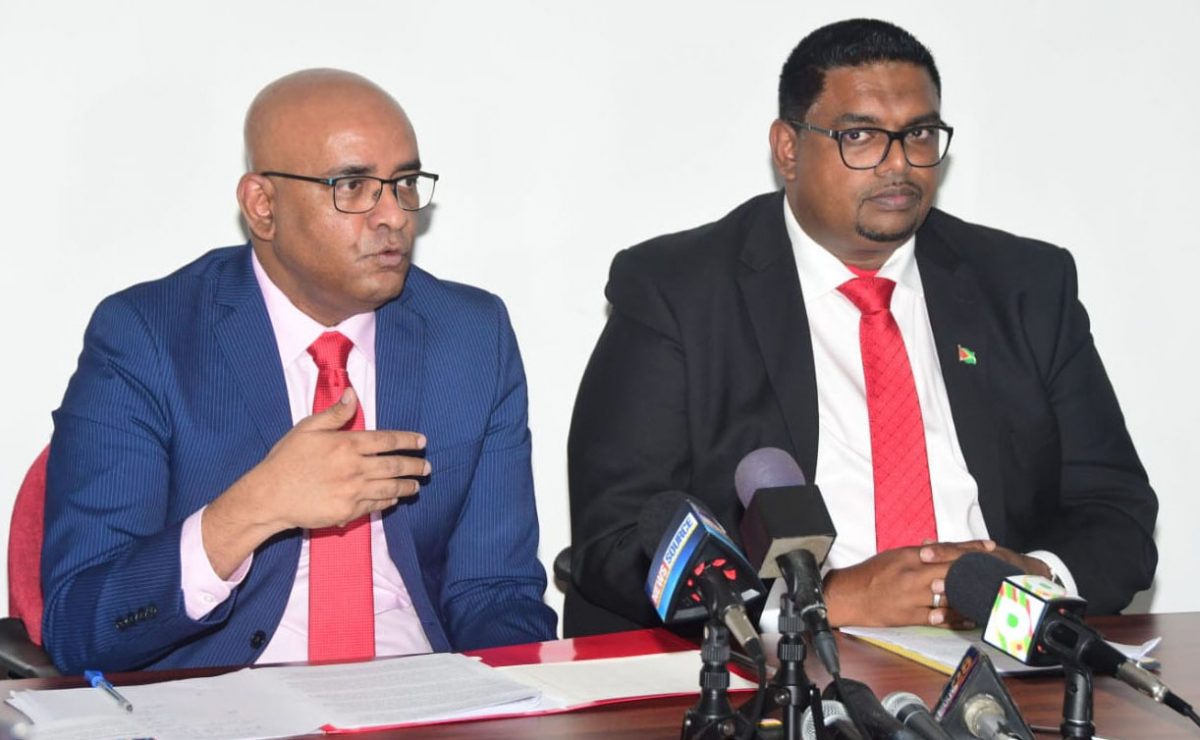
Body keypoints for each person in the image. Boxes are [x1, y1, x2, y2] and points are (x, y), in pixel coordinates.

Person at [566, 19, 1157, 637]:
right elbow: (620, 536)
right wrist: (824, 602)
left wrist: (1026, 581)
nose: (899, 164)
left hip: (995, 651)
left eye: (920, 135)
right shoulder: (677, 290)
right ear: (788, 148)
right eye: (861, 136)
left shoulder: (1026, 285)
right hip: (777, 668)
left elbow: (1115, 510)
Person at [42, 69, 556, 673]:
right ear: (263, 206)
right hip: (225, 703)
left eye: (405, 183)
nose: (392, 215)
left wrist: (525, 699)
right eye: (353, 185)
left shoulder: (470, 335)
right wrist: (254, 509)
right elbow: (79, 625)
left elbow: (495, 592)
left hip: (420, 697)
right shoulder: (148, 336)